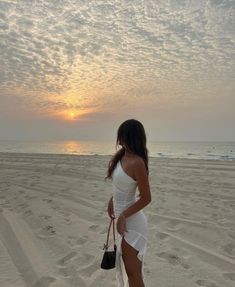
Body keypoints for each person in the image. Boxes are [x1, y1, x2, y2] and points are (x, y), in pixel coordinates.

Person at [106, 119, 151, 287]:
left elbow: (146, 197)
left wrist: (123, 215)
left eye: (123, 136)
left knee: (133, 273)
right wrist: (112, 199)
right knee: (129, 270)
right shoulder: (122, 157)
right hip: (122, 220)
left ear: (131, 137)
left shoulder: (138, 162)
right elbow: (121, 185)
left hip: (132, 223)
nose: (120, 141)